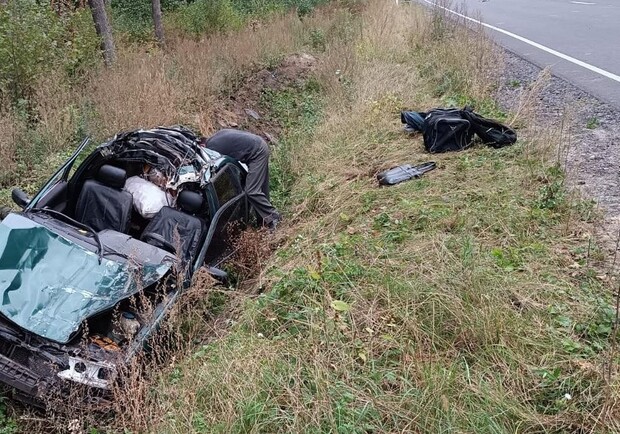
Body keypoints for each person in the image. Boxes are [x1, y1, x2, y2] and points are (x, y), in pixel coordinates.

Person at [200, 128, 281, 231]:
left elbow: (219, 167)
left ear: (203, 146)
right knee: (260, 188)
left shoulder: (212, 147)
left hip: (257, 153)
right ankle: (264, 222)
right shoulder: (215, 137)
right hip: (258, 145)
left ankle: (274, 217)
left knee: (252, 191)